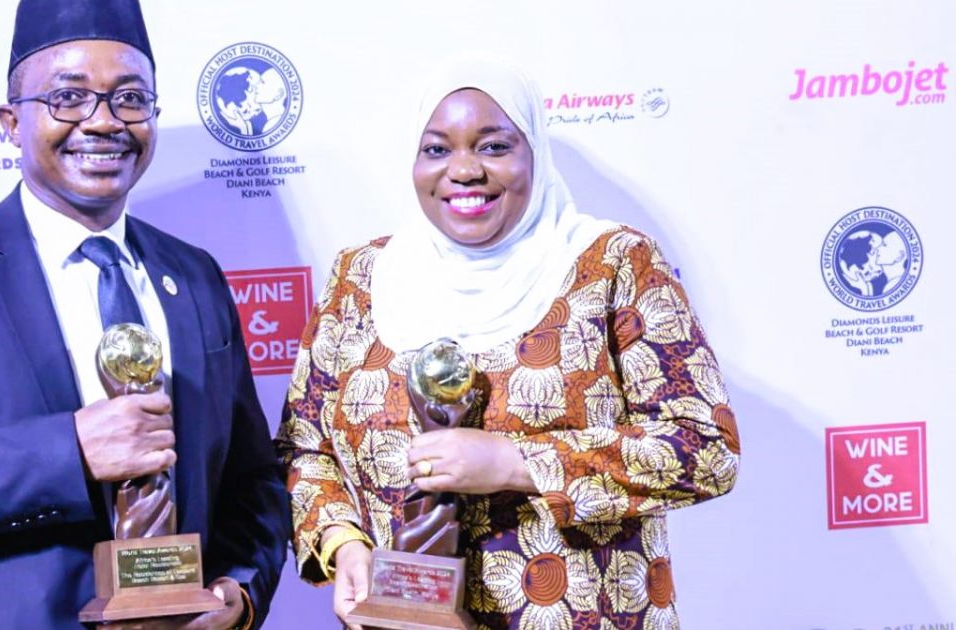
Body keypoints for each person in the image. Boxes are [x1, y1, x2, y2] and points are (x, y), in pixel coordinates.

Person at [0, 1, 290, 628]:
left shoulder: (194, 274)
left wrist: (239, 592)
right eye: (68, 98)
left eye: (130, 98)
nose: (103, 121)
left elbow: (253, 479)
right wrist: (69, 451)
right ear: (12, 122)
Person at [276, 56, 740, 629]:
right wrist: (343, 543)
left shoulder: (613, 263)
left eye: (494, 147)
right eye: (437, 149)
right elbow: (306, 447)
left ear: (534, 155)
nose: (464, 170)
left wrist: (517, 462)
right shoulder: (360, 277)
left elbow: (705, 448)